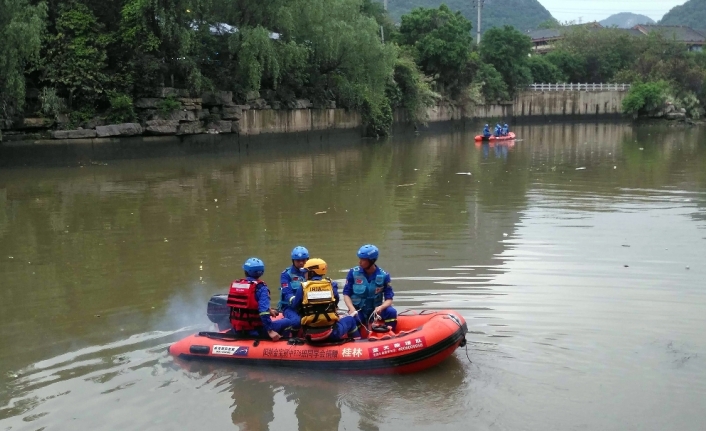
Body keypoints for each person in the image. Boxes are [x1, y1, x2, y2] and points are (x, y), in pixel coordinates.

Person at [291, 258, 360, 342]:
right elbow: (335, 302)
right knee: (351, 320)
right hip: (332, 333)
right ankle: (358, 342)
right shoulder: (332, 284)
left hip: (309, 334)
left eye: (305, 271)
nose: (304, 274)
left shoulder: (303, 287)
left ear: (311, 272)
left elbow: (295, 306)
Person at [227, 257, 296, 340]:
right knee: (288, 322)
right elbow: (263, 312)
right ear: (261, 272)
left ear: (245, 271)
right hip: (255, 331)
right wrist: (270, 331)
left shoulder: (237, 285)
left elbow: (246, 305)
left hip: (237, 330)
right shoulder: (261, 288)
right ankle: (284, 343)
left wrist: (269, 310)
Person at [343, 244, 397, 332]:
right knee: (352, 320)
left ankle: (391, 333)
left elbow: (389, 299)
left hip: (376, 310)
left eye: (363, 260)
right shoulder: (353, 273)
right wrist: (352, 309)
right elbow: (346, 294)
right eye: (360, 259)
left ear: (371, 261)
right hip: (358, 310)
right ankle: (358, 341)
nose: (359, 262)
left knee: (391, 312)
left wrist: (381, 307)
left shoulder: (384, 275)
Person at [278, 246, 309, 331]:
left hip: (308, 305)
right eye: (298, 261)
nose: (301, 263)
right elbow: (287, 292)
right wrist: (295, 301)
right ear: (293, 261)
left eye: (303, 260)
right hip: (290, 306)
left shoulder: (311, 272)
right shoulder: (286, 274)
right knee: (296, 322)